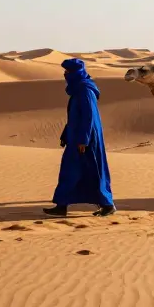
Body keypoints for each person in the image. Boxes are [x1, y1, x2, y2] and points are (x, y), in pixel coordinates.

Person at [44, 58, 115, 217]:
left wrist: (84, 139)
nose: (65, 74)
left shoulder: (84, 89)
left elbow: (88, 116)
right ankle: (61, 205)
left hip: (86, 139)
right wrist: (66, 134)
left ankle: (107, 204)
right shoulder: (79, 89)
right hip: (77, 137)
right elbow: (76, 116)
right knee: (70, 171)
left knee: (93, 171)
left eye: (68, 72)